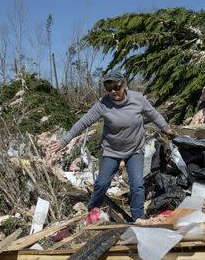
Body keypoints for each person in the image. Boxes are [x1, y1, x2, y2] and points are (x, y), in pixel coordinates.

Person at [46, 71, 173, 220]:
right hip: (111, 151)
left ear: (124, 84)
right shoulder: (103, 104)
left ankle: (138, 219)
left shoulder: (138, 99)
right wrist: (64, 140)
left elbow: (154, 114)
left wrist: (166, 127)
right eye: (108, 88)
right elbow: (83, 122)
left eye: (116, 87)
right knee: (101, 183)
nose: (113, 92)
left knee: (137, 185)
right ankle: (92, 212)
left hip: (135, 150)